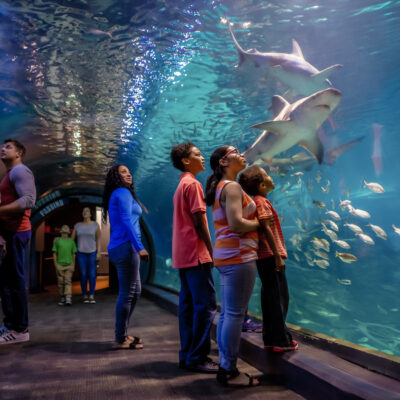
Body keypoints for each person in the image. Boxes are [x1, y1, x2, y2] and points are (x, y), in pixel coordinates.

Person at [205, 145, 260, 387]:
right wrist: (261, 222)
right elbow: (237, 225)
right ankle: (229, 370)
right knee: (234, 315)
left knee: (228, 314)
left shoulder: (220, 188)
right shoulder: (233, 187)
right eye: (235, 152)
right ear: (224, 163)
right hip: (239, 255)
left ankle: (226, 367)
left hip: (225, 256)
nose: (242, 154)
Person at [239, 165, 298, 352]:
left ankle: (271, 339)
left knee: (271, 297)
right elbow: (265, 227)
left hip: (264, 257)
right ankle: (281, 340)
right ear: (262, 184)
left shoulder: (256, 200)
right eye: (267, 175)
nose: (271, 177)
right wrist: (277, 256)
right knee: (279, 298)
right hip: (270, 256)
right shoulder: (262, 201)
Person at [170, 143, 218, 373]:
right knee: (206, 306)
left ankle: (186, 355)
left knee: (188, 307)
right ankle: (198, 357)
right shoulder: (194, 185)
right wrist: (211, 249)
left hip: (183, 255)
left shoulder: (181, 185)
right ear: (186, 161)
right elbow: (199, 221)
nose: (202, 157)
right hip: (196, 254)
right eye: (197, 154)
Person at [103, 165, 149, 350]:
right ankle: (120, 337)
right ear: (115, 176)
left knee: (135, 292)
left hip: (121, 247)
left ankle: (121, 333)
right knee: (128, 294)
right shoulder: (122, 192)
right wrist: (140, 247)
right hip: (126, 248)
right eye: (123, 172)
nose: (128, 174)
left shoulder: (121, 193)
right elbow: (125, 219)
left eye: (129, 171)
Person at [0, 139, 36, 345]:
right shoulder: (8, 175)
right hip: (9, 234)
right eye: (2, 147)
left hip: (18, 232)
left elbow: (28, 200)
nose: (3, 149)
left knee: (16, 282)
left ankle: (21, 329)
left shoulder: (20, 171)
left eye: (8, 147)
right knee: (6, 282)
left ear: (19, 153)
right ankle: (11, 324)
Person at [72, 207, 101, 304]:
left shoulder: (95, 225)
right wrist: (73, 251)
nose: (85, 212)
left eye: (87, 211)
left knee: (92, 274)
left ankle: (92, 295)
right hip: (81, 253)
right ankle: (85, 294)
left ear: (90, 214)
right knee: (83, 274)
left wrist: (99, 252)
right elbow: (72, 241)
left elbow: (98, 240)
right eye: (83, 211)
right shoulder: (77, 226)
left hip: (92, 252)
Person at [52, 225, 77, 306]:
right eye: (63, 233)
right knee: (60, 283)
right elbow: (54, 253)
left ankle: (68, 297)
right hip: (60, 265)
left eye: (66, 233)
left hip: (69, 265)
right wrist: (56, 265)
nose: (65, 234)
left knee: (68, 281)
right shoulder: (58, 241)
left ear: (68, 233)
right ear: (61, 233)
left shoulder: (71, 242)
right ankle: (62, 297)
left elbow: (73, 254)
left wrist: (73, 264)